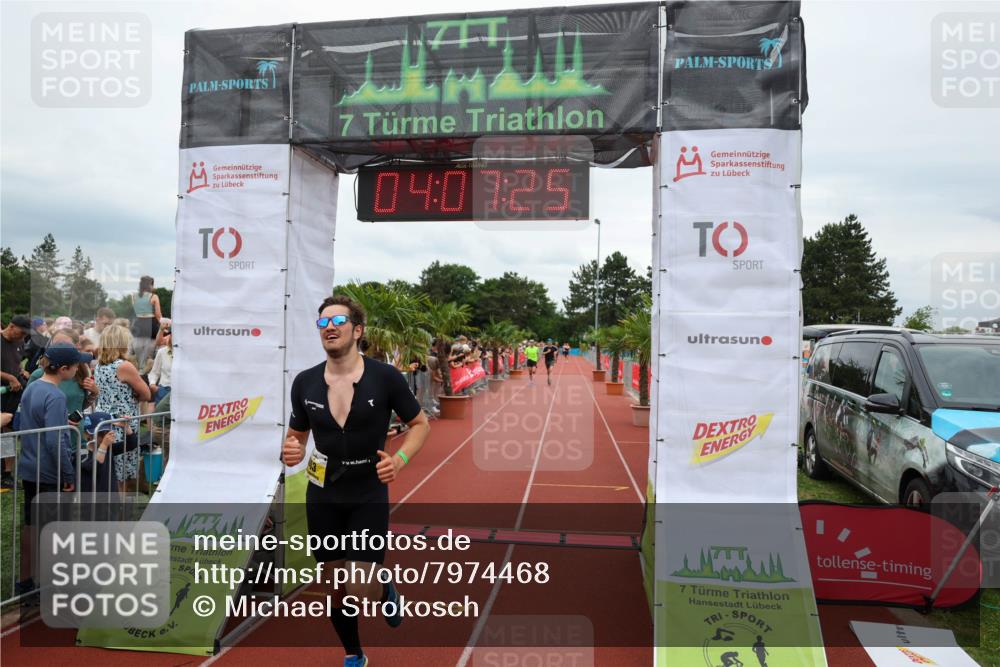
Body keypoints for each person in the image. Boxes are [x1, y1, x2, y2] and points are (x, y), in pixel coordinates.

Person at [281, 295, 430, 667]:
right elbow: (296, 435)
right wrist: (292, 450)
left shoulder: (385, 377)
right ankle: (354, 655)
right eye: (322, 323)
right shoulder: (304, 383)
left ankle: (384, 590)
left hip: (367, 492)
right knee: (335, 585)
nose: (329, 327)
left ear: (357, 330)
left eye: (338, 321)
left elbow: (420, 424)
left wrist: (400, 459)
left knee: (360, 583)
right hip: (323, 493)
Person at [16, 343, 89, 593]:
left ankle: (26, 580)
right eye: (77, 365)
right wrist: (68, 473)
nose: (80, 368)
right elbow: (54, 441)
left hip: (29, 466)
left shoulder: (33, 386)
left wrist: (60, 423)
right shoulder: (56, 395)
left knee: (31, 525)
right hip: (49, 472)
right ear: (65, 369)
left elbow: (26, 422)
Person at [94, 324, 150, 492]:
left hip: (103, 423)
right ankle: (119, 516)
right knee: (121, 480)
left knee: (108, 474)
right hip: (122, 426)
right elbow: (146, 395)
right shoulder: (123, 366)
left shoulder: (98, 366)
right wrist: (135, 396)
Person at [130, 276, 162, 370]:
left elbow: (136, 311)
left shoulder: (133, 296)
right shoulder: (154, 296)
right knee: (152, 349)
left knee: (137, 349)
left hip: (138, 324)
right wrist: (163, 326)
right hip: (151, 324)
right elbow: (158, 314)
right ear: (150, 285)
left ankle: (139, 366)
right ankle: (148, 367)